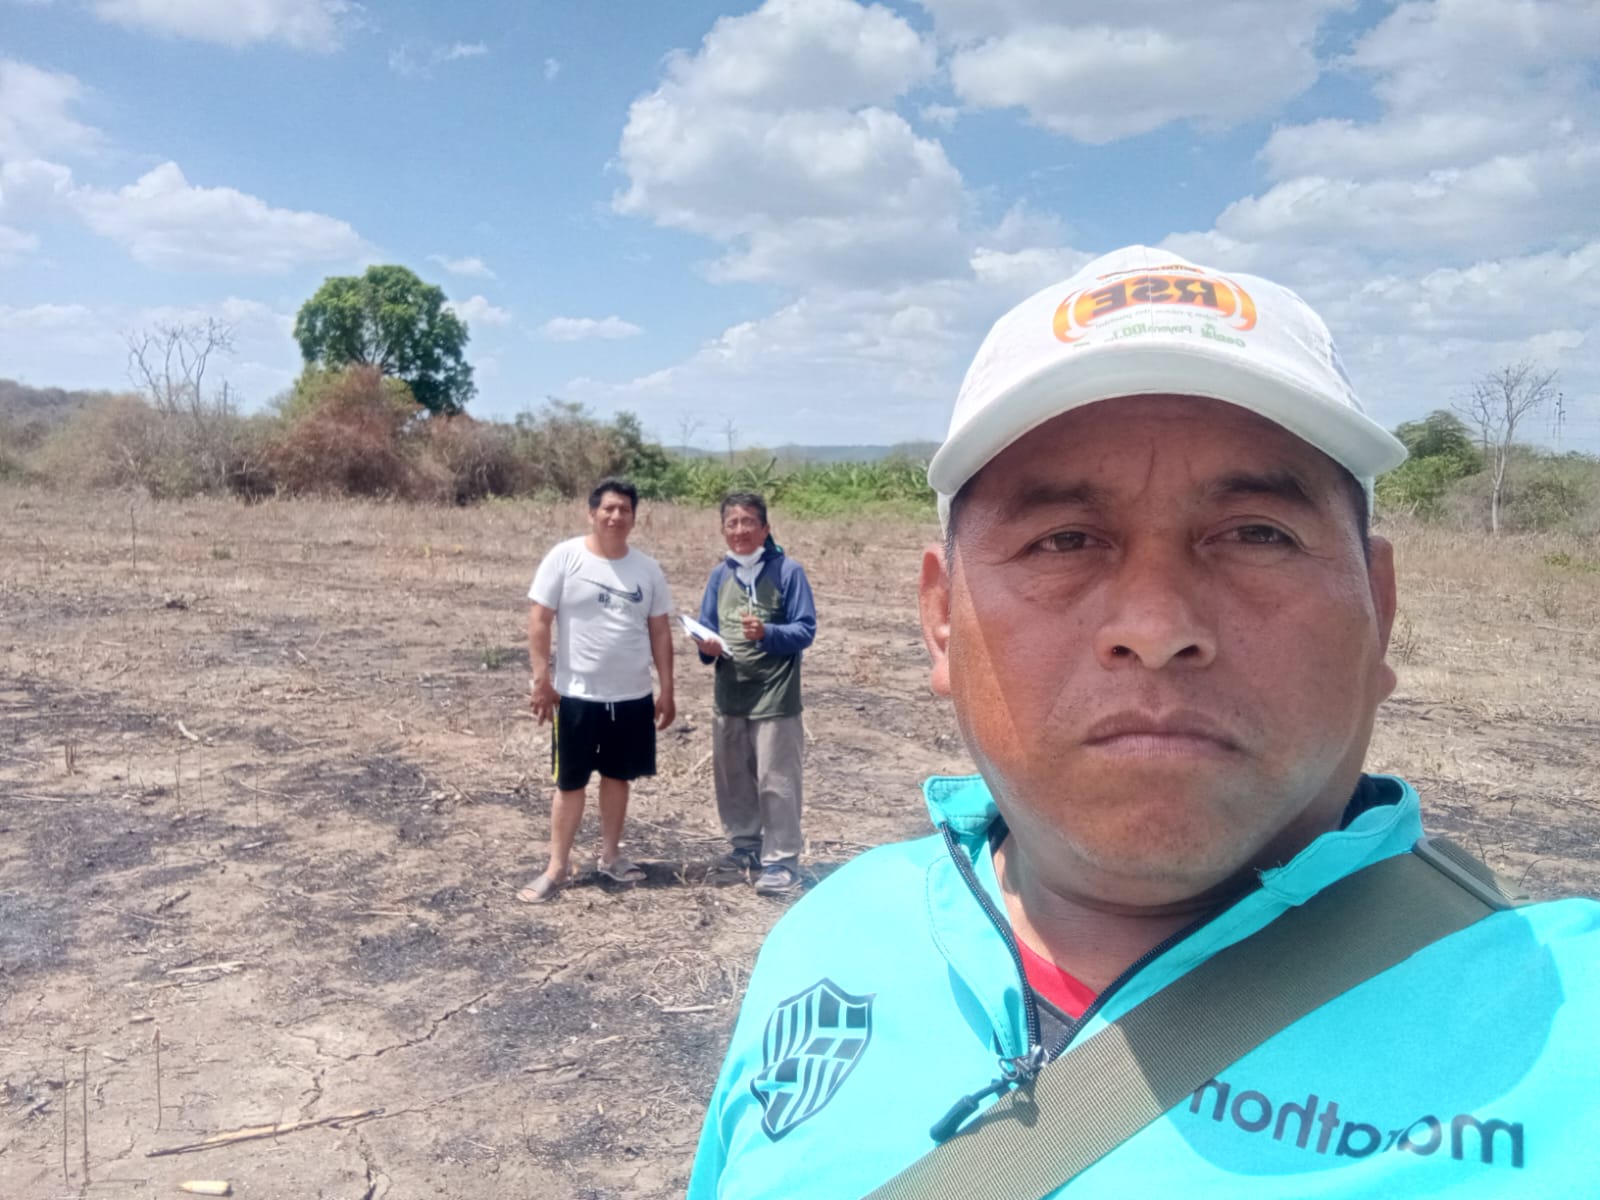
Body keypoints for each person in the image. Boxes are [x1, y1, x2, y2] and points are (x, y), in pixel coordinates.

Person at [687, 246, 1600, 1196]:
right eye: (1063, 540)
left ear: (1380, 608)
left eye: (1258, 534)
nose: (1157, 627)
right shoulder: (830, 938)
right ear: (943, 620)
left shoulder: (1575, 1046)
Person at [518, 477, 675, 903]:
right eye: (608, 508)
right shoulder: (565, 558)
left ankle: (611, 856)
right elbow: (539, 620)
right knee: (570, 783)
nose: (615, 516)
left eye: (624, 509)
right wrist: (541, 680)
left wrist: (667, 689)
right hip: (576, 697)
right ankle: (557, 867)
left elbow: (660, 631)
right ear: (592, 513)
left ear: (634, 518)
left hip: (631, 698)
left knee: (618, 778)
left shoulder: (647, 569)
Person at [691, 492, 817, 896]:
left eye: (748, 522)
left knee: (776, 781)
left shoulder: (787, 572)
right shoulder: (720, 576)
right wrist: (706, 647)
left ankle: (781, 861)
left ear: (765, 529)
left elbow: (805, 629)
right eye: (732, 523)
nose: (740, 530)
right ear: (723, 530)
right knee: (734, 780)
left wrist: (767, 633)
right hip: (730, 697)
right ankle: (744, 847)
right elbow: (706, 627)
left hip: (775, 698)